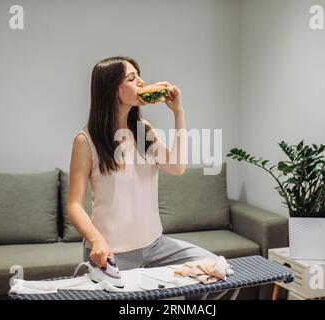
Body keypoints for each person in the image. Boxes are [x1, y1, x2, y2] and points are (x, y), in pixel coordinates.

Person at [67, 56, 217, 271]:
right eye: (131, 78)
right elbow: (74, 205)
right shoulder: (86, 141)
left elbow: (177, 167)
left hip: (157, 245)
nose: (141, 82)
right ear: (113, 90)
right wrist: (96, 240)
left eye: (139, 75)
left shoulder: (142, 130)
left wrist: (178, 112)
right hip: (112, 251)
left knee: (219, 271)